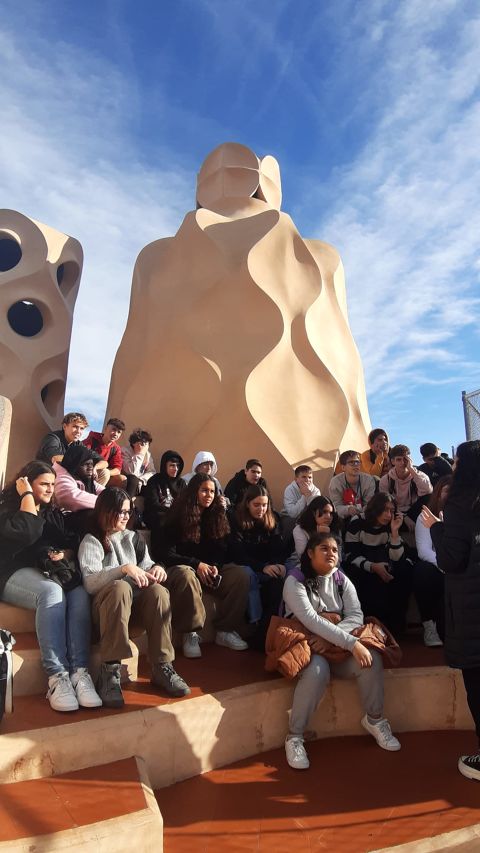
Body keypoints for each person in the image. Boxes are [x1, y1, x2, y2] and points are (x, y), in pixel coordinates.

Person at [283, 531, 401, 769]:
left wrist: (333, 640)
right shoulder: (294, 580)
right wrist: (349, 642)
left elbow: (356, 615)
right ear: (310, 553)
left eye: (335, 550)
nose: (331, 554)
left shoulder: (341, 579)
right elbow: (309, 620)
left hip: (333, 646)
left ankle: (375, 720)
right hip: (309, 647)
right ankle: (294, 736)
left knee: (371, 660)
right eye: (324, 549)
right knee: (318, 671)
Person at [0, 461, 101, 712]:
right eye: (43, 484)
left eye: (52, 484)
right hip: (10, 573)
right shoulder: (7, 510)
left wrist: (64, 553)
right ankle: (57, 677)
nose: (49, 489)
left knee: (76, 591)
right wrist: (25, 495)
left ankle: (79, 672)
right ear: (25, 482)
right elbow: (25, 533)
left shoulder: (51, 513)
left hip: (43, 571)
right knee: (52, 592)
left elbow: (69, 541)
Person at [78, 488, 190, 706]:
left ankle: (162, 666)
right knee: (120, 587)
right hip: (105, 617)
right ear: (106, 511)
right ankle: (110, 670)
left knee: (158, 592)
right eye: (121, 511)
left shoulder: (134, 538)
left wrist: (157, 568)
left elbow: (147, 565)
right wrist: (123, 568)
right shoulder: (92, 540)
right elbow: (90, 583)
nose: (126, 516)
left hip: (132, 616)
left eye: (129, 511)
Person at [421, 441, 480, 781]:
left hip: (472, 610)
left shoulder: (461, 504)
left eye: (456, 462)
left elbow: (451, 559)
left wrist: (436, 528)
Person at [161, 473, 250, 654]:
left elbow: (222, 549)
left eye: (212, 491)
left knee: (241, 575)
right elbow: (165, 553)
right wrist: (196, 564)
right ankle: (190, 633)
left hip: (207, 571)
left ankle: (225, 630)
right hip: (181, 571)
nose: (209, 495)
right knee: (187, 575)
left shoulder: (217, 515)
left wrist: (214, 566)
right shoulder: (176, 516)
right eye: (204, 491)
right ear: (194, 491)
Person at [344, 493, 413, 635]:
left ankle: (395, 629)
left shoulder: (390, 525)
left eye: (391, 511)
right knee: (362, 576)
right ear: (375, 508)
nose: (388, 515)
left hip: (386, 565)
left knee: (403, 570)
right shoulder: (357, 522)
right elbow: (350, 555)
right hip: (363, 566)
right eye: (385, 510)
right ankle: (369, 626)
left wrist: (394, 532)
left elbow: (397, 557)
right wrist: (373, 567)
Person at [228, 485, 286, 648]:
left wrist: (278, 564)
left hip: (267, 567)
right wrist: (262, 567)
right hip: (246, 566)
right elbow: (237, 553)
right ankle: (255, 623)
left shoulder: (273, 518)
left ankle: (269, 630)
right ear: (247, 503)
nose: (261, 509)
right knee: (248, 575)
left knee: (279, 584)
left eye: (264, 505)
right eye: (257, 505)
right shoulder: (236, 519)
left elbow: (278, 548)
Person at [414, 475, 452, 647]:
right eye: (446, 491)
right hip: (439, 567)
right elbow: (424, 551)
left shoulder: (466, 515)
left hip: (460, 566)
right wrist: (444, 564)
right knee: (422, 571)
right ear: (437, 493)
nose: (450, 495)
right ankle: (429, 626)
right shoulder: (425, 517)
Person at [36, 412, 109, 485]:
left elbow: (104, 462)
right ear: (64, 426)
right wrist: (83, 463)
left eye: (81, 428)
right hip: (46, 475)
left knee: (104, 472)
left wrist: (95, 467)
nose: (78, 431)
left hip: (66, 476)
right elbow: (55, 458)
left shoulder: (78, 444)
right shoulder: (52, 438)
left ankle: (92, 495)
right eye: (75, 427)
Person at [143, 451, 187, 558]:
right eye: (172, 465)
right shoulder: (154, 481)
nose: (175, 469)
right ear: (164, 466)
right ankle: (163, 556)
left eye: (178, 466)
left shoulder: (181, 483)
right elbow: (152, 504)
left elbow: (186, 504)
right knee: (162, 519)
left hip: (175, 517)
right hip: (157, 516)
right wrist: (172, 512)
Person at [379, 444, 432, 528]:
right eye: (399, 460)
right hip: (395, 511)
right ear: (392, 461)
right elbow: (385, 503)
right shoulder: (386, 480)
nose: (403, 463)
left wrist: (411, 470)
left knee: (429, 497)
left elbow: (427, 492)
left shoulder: (420, 475)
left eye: (405, 459)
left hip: (414, 510)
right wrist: (404, 517)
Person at [53, 445, 104, 525]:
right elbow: (74, 498)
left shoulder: (83, 478)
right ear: (74, 464)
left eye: (92, 464)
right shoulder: (60, 477)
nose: (90, 468)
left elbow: (104, 492)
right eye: (86, 464)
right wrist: (107, 504)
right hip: (60, 523)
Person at [329, 451, 376, 521]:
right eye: (351, 462)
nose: (356, 465)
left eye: (357, 462)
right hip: (343, 518)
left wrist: (361, 512)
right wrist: (348, 509)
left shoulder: (368, 480)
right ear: (343, 467)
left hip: (365, 516)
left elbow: (369, 504)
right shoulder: (336, 482)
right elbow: (335, 507)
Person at [83, 418, 127, 488]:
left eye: (119, 432)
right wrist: (95, 468)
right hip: (87, 469)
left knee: (122, 478)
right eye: (113, 429)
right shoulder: (93, 439)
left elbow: (117, 469)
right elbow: (84, 455)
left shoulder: (116, 448)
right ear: (106, 428)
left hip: (101, 473)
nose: (116, 434)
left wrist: (106, 472)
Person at [121, 428, 156, 497]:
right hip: (128, 480)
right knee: (133, 479)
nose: (146, 446)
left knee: (154, 485)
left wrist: (141, 480)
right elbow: (131, 471)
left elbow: (152, 472)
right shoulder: (124, 451)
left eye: (147, 443)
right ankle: (127, 504)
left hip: (140, 481)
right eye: (143, 443)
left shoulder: (147, 455)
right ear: (134, 443)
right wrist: (140, 454)